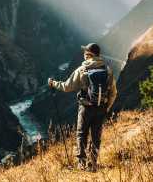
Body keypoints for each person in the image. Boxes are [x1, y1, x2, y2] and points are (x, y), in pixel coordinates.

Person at [48, 43, 117, 171]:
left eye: (85, 52)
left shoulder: (82, 69)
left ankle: (82, 163)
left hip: (86, 108)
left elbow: (67, 87)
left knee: (81, 134)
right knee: (96, 136)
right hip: (101, 108)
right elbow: (113, 92)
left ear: (89, 55)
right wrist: (106, 107)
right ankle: (93, 163)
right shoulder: (107, 69)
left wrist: (53, 83)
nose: (84, 54)